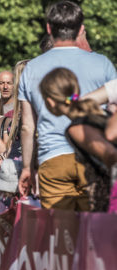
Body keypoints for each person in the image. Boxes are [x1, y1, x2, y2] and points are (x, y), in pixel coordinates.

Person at [18, 1, 117, 211]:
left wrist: (27, 167)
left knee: (60, 236)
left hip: (52, 160)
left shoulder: (31, 69)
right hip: (93, 156)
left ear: (48, 28)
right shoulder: (102, 63)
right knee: (94, 233)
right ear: (81, 29)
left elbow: (27, 126)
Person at [39, 67, 117, 211]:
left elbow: (111, 154)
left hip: (110, 200)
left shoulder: (77, 128)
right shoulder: (99, 113)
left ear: (50, 102)